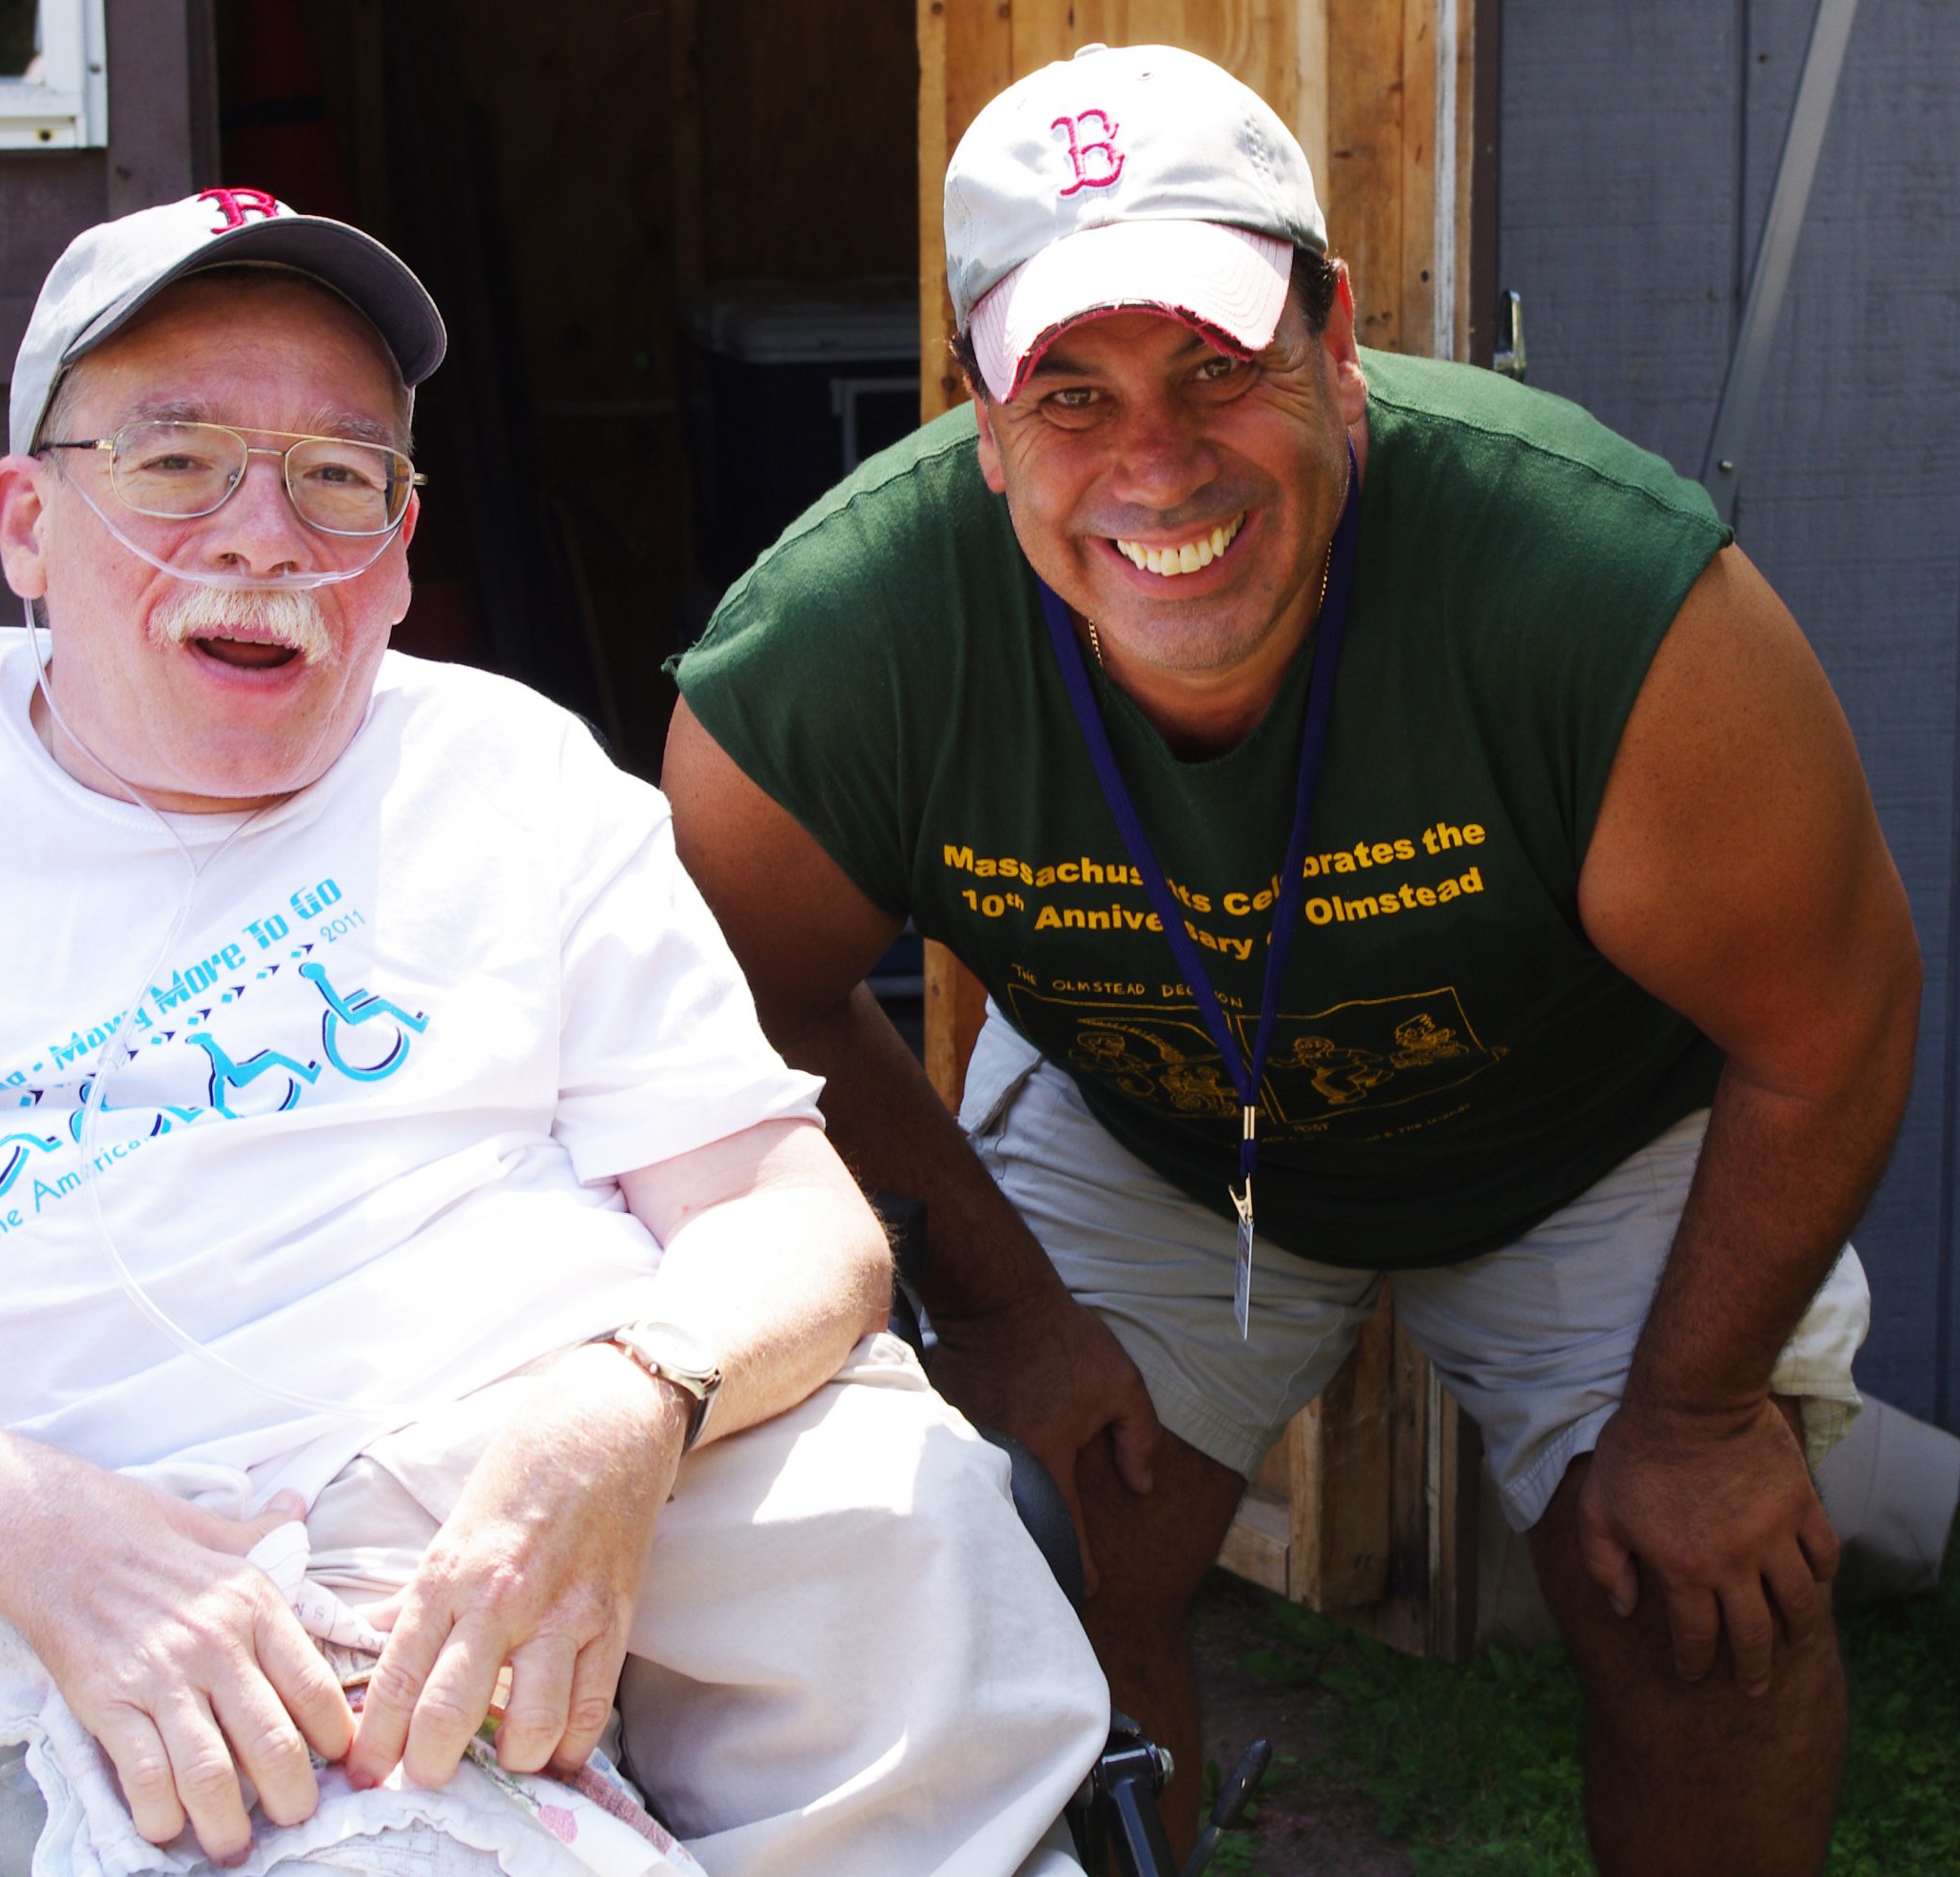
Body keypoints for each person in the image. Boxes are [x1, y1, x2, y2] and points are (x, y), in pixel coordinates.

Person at [0, 188, 1107, 1877]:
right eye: (175, 463)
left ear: (397, 549)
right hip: (158, 1534)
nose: (263, 537)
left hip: (587, 1447)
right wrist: (27, 1523)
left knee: (934, 1544)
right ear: (26, 521)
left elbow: (790, 1215)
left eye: (336, 477)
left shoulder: (506, 771)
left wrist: (630, 1404)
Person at [663, 43, 1917, 1876]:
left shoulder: (1598, 584)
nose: (1155, 459)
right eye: (1071, 391)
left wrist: (1702, 1412)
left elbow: (1834, 1014)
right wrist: (1008, 1303)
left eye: (1219, 365)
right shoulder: (830, 646)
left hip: (1588, 1125)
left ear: (1338, 343)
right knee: (1031, 1562)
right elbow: (737, 997)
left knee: (1700, 1609)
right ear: (982, 416)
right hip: (1154, 1120)